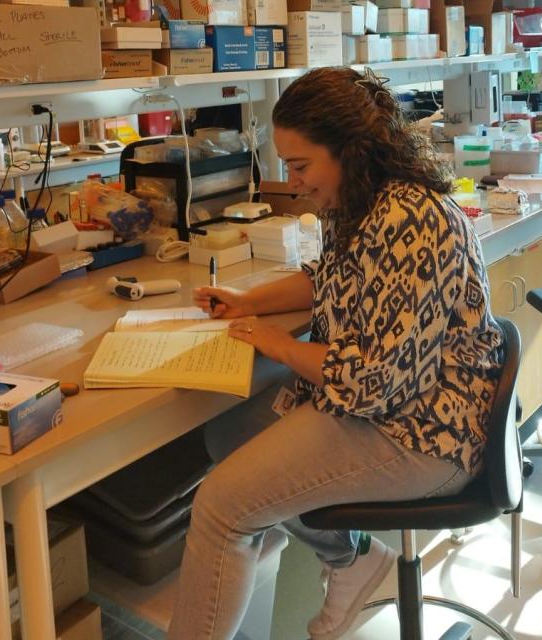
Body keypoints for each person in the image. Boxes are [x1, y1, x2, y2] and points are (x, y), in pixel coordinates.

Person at [168, 67, 505, 640]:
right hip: (391, 407)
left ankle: (343, 566)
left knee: (222, 506)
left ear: (352, 150)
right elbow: (329, 279)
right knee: (227, 436)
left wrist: (277, 343)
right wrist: (248, 301)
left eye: (301, 166)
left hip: (425, 431)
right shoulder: (362, 202)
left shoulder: (411, 219)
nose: (293, 181)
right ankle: (352, 562)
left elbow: (372, 381)